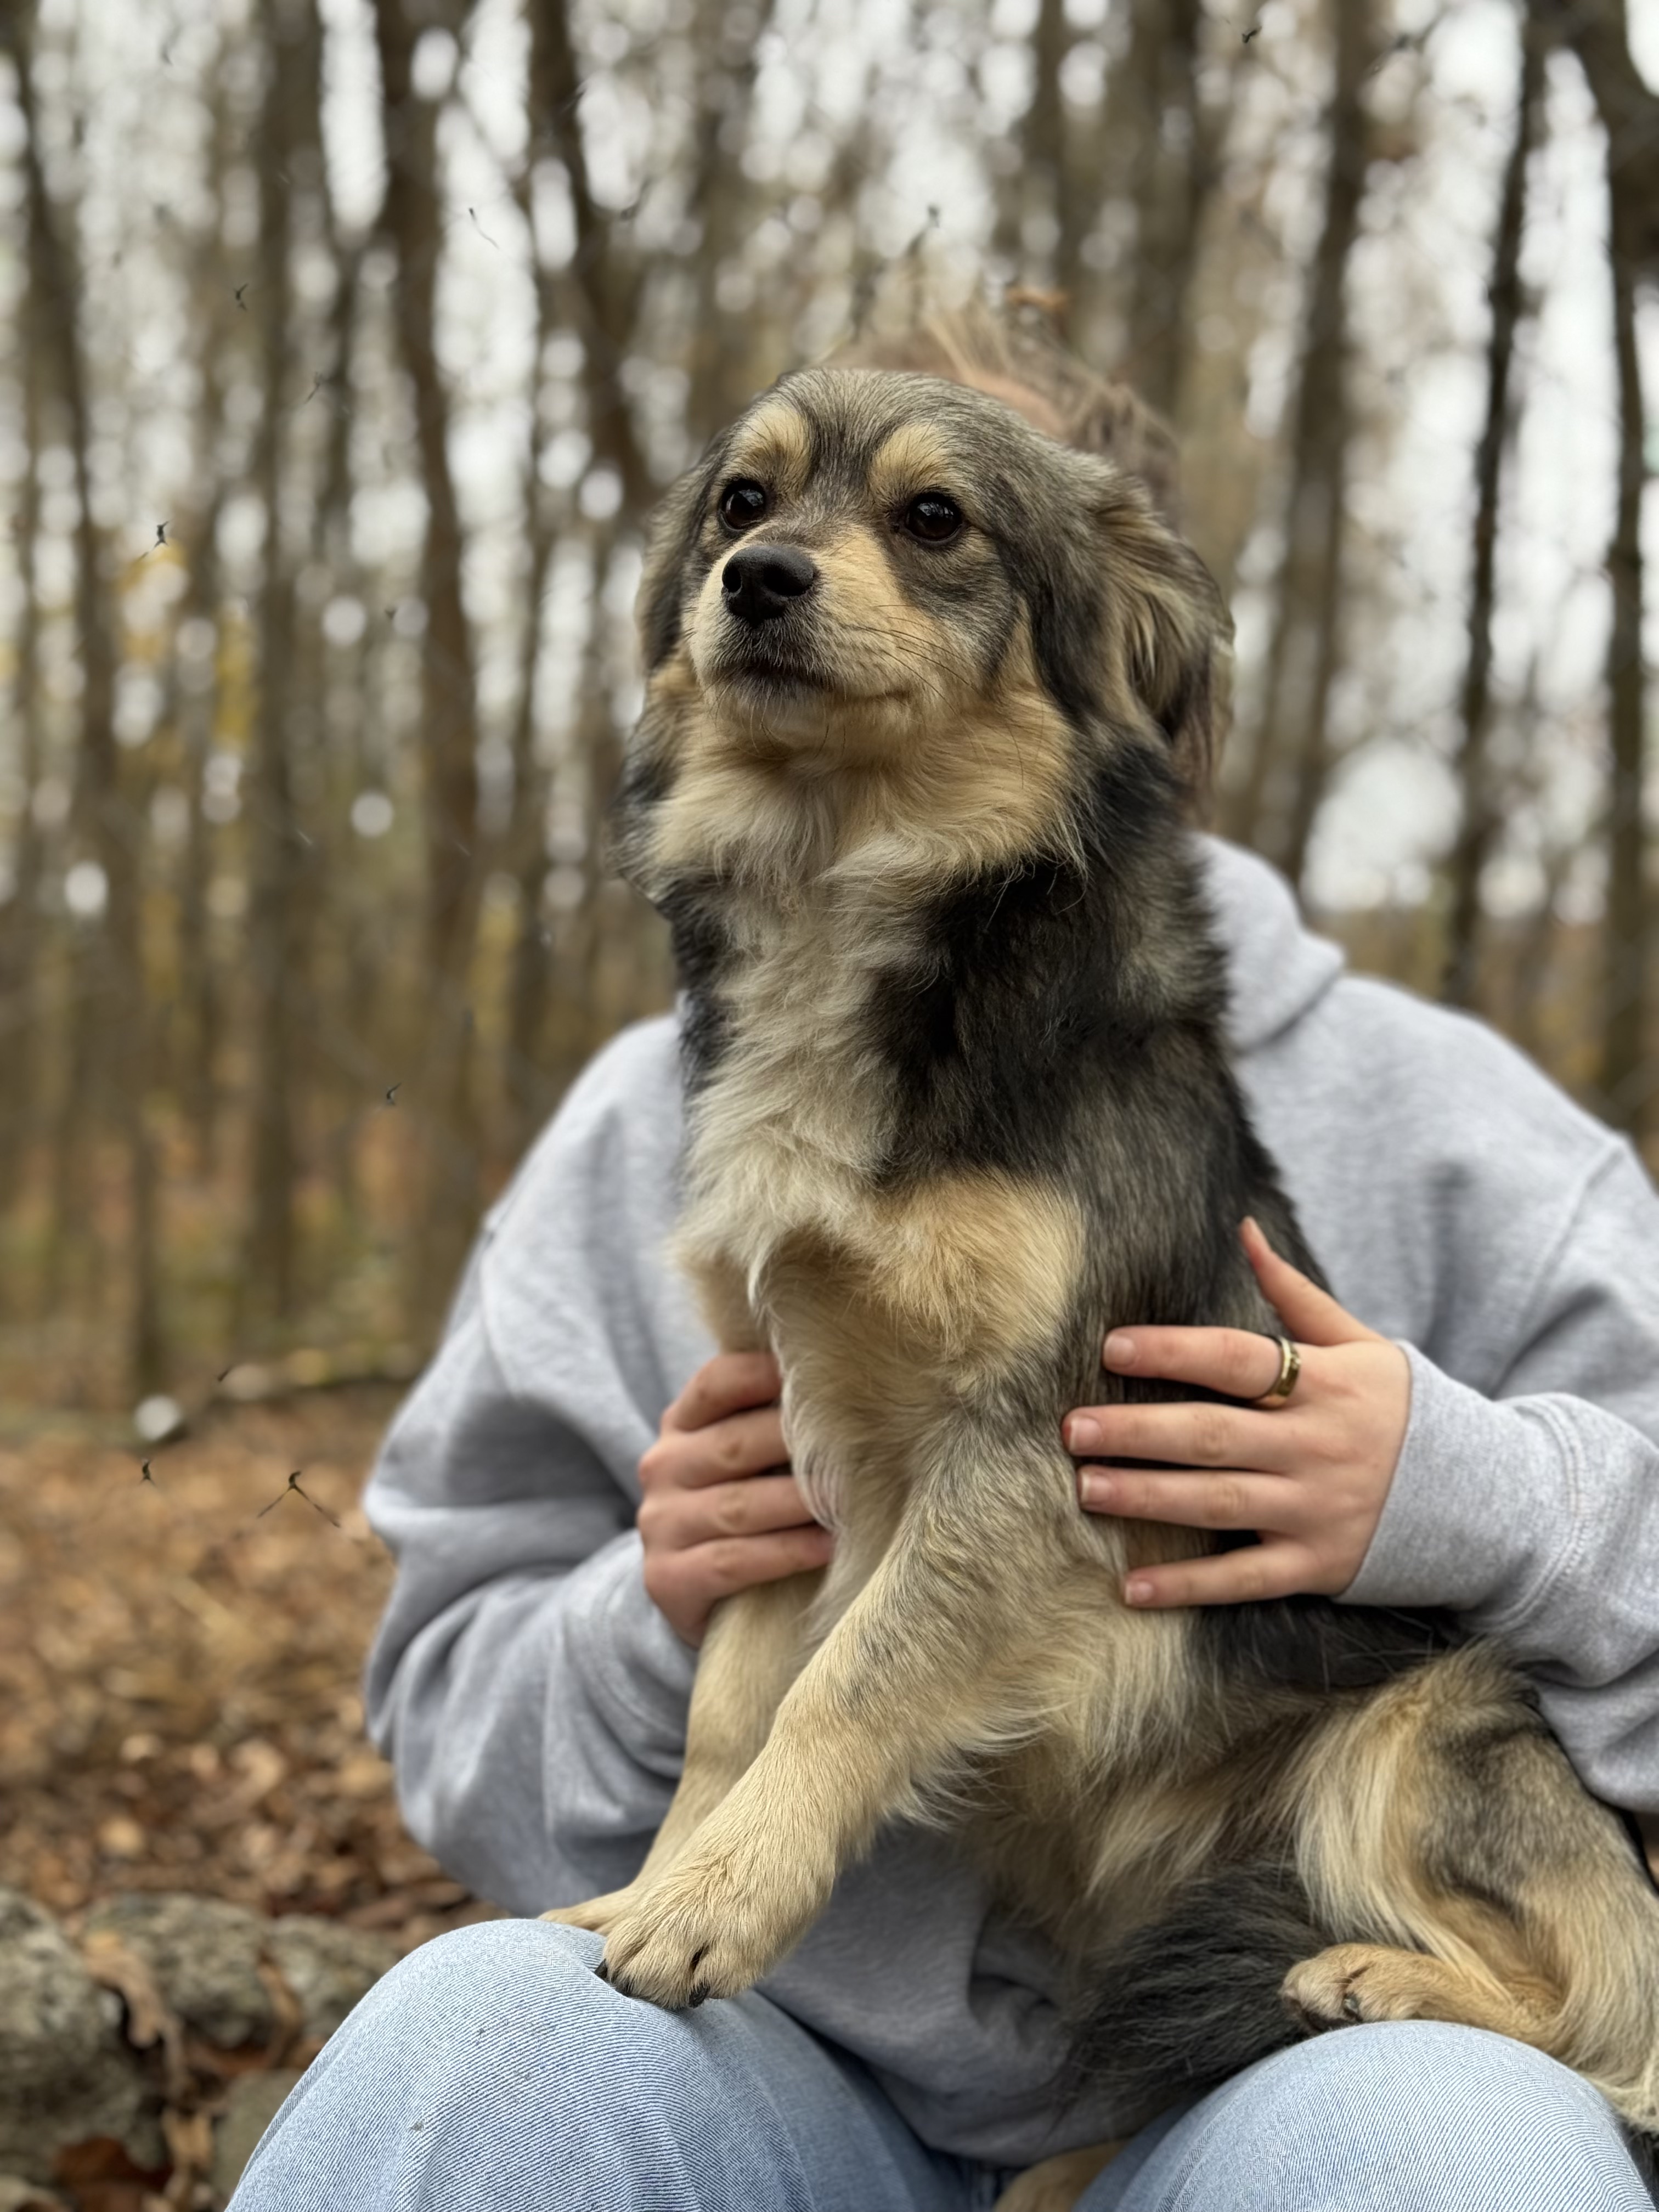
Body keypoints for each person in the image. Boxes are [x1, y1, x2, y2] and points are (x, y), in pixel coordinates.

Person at [227, 827, 1659, 2211]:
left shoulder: (1461, 1120)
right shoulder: (639, 1117)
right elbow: (438, 1695)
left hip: (1280, 2096)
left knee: (1458, 2143)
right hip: (762, 2061)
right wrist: (652, 1624)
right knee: (483, 2037)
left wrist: (1481, 1502)